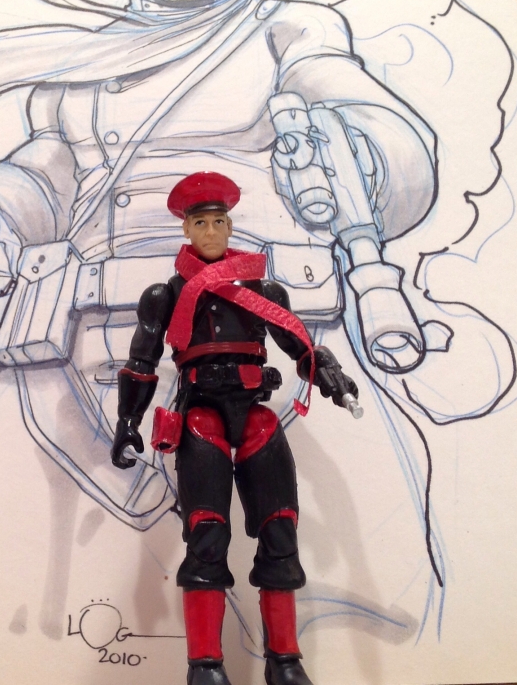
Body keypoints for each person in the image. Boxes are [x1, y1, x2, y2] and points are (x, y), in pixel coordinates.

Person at [0, 0, 476, 645]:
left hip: (258, 339)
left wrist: (356, 154)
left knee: (365, 582)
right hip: (80, 347)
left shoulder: (287, 30)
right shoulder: (83, 56)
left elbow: (375, 121)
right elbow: (51, 170)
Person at [113, 171, 360, 685]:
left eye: (219, 222)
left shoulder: (262, 289)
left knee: (280, 529)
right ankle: (205, 665)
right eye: (201, 223)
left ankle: (285, 660)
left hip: (255, 416)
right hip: (201, 417)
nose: (211, 232)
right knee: (206, 535)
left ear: (229, 227)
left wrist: (327, 373)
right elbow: (142, 361)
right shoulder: (166, 294)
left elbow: (297, 344)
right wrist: (128, 422)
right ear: (186, 230)